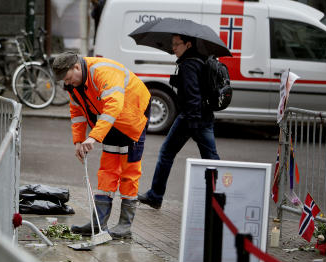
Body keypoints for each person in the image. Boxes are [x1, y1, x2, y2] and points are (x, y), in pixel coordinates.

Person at [52, 52, 151, 239]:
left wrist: (94, 137)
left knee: (129, 172)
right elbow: (77, 112)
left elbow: (114, 105)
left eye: (67, 78)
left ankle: (124, 226)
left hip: (132, 116)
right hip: (110, 121)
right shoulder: (74, 85)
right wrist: (79, 141)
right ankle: (98, 223)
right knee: (107, 170)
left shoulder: (102, 71)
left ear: (76, 67)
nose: (66, 83)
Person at [138, 34, 220, 209]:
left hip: (191, 118)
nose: (173, 47)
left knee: (167, 153)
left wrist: (192, 123)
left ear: (188, 44)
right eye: (172, 44)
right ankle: (218, 198)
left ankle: (155, 196)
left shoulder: (189, 64)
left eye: (176, 44)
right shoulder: (201, 59)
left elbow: (193, 95)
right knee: (211, 159)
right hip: (204, 116)